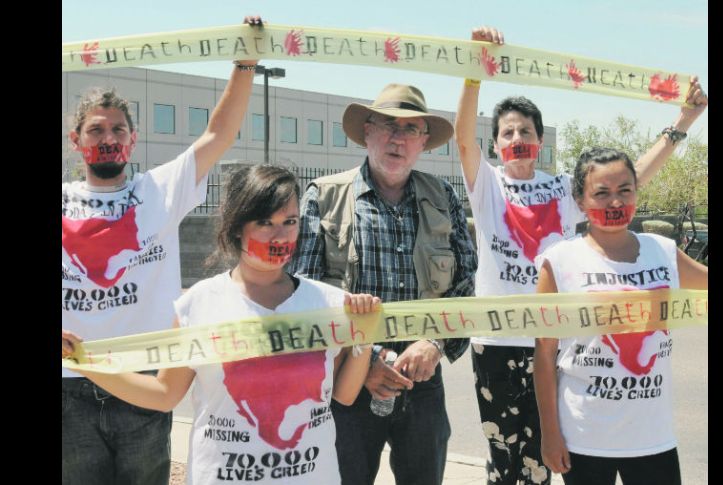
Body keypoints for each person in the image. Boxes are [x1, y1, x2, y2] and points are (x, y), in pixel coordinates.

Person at [454, 26, 708, 485]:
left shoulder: (561, 187)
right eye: (507, 132)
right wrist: (475, 70)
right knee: (508, 466)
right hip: (498, 344)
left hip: (557, 347)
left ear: (540, 139)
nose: (517, 138)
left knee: (557, 459)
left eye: (526, 131)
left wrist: (682, 124)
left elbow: (633, 177)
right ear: (495, 145)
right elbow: (463, 140)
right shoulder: (487, 185)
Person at [62, 165, 381, 485]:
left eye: (290, 222)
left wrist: (362, 338)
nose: (280, 235)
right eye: (265, 222)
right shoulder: (200, 303)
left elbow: (344, 395)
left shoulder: (327, 303)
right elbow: (164, 394)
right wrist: (86, 364)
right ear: (237, 227)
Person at [61, 15, 266, 485]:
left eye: (117, 130)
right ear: (77, 142)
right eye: (96, 130)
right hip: (70, 382)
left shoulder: (160, 190)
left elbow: (219, 135)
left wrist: (245, 62)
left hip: (146, 378)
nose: (108, 138)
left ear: (132, 140)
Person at [287, 83, 478, 485]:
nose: (398, 138)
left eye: (411, 129)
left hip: (422, 381)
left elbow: (465, 283)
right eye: (389, 125)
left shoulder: (444, 197)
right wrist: (367, 359)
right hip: (347, 382)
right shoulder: (322, 197)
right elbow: (302, 293)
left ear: (423, 142)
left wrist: (435, 343)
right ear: (367, 131)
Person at [532, 147, 708, 485]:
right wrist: (549, 434)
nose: (615, 203)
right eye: (602, 193)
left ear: (637, 194)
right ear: (581, 202)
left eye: (624, 191)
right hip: (583, 436)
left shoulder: (664, 252)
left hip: (652, 437)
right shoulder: (559, 262)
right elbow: (544, 356)